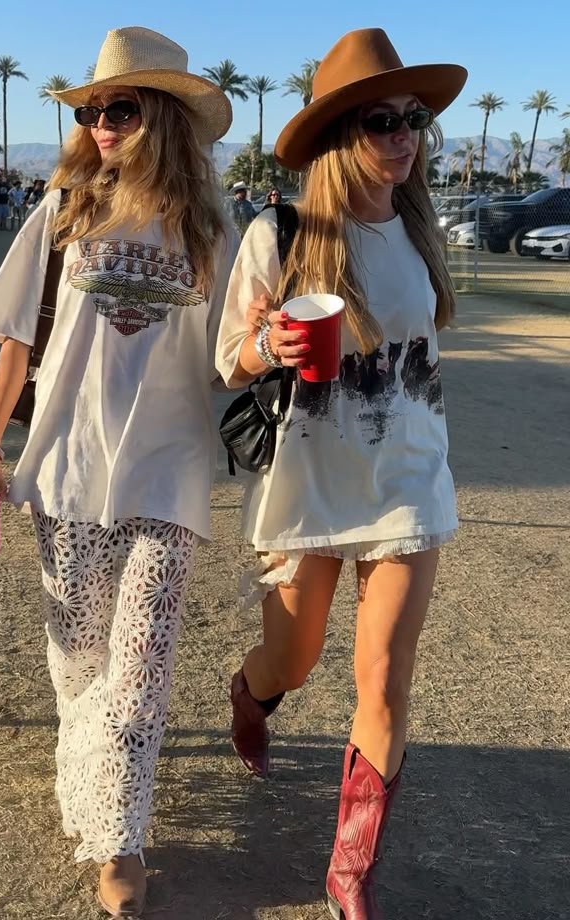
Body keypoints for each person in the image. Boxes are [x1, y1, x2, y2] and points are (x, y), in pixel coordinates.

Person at [0, 27, 235, 918]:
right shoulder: (64, 205)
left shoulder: (216, 225)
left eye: (122, 109)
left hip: (169, 467)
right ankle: (93, 776)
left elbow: (232, 353)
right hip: (67, 463)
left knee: (139, 665)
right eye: (94, 111)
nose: (102, 125)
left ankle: (119, 841)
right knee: (80, 661)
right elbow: (19, 340)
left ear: (169, 119)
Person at [216, 28, 467, 919]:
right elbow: (228, 362)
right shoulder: (279, 232)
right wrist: (264, 341)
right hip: (311, 479)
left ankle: (349, 869)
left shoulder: (419, 226)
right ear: (337, 136)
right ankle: (252, 693)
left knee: (385, 679)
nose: (403, 137)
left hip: (408, 476)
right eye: (381, 121)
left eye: (414, 120)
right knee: (295, 657)